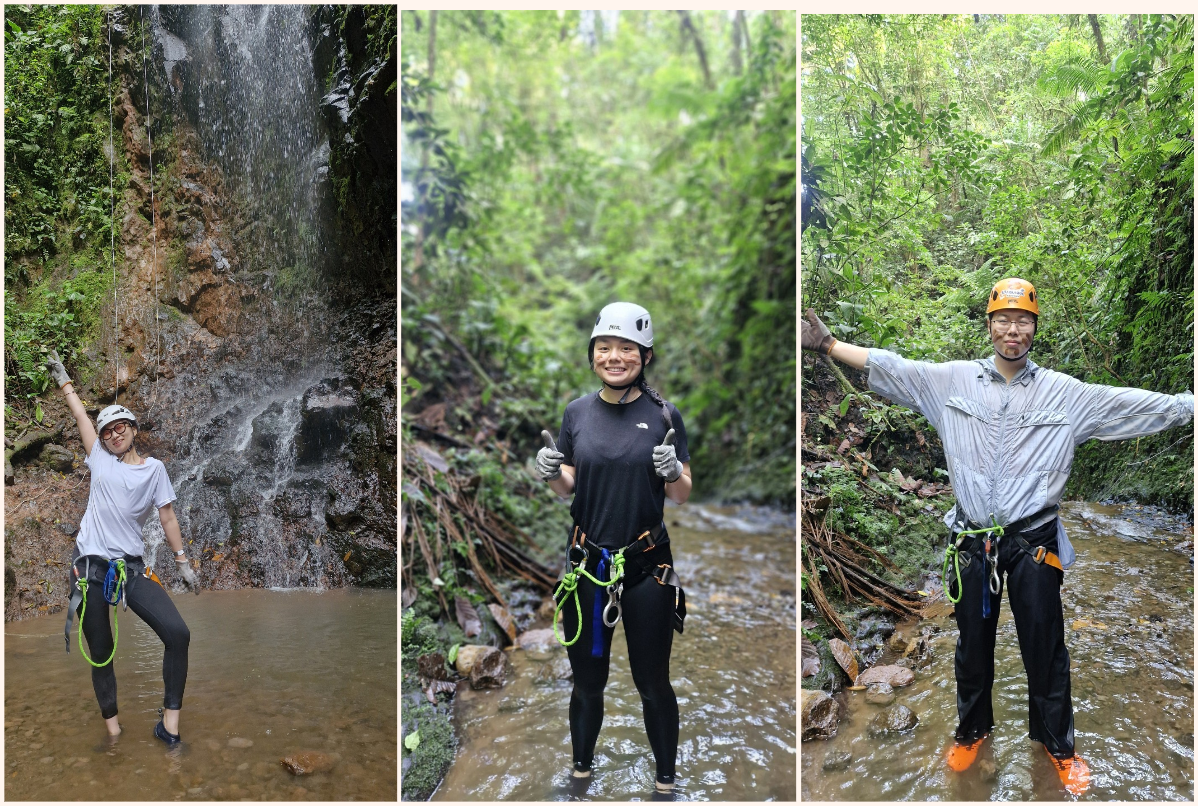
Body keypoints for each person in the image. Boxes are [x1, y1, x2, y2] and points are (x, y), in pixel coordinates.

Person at [801, 278, 1193, 796]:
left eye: (1023, 320)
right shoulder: (951, 382)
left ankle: (1058, 747)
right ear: (989, 326)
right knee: (973, 646)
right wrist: (828, 344)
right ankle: (971, 732)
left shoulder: (1067, 394)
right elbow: (891, 367)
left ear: (1034, 328)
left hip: (1035, 541)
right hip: (972, 541)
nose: (1013, 329)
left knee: (1045, 647)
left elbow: (1135, 405)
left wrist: (1190, 404)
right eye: (1003, 320)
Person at [534, 302, 692, 793]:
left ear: (645, 356)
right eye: (605, 348)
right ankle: (580, 777)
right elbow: (571, 485)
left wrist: (672, 471)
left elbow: (682, 491)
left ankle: (666, 786)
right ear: (593, 354)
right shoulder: (577, 413)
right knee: (587, 682)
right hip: (589, 568)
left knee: (652, 683)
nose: (614, 357)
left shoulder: (664, 415)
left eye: (626, 348)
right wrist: (550, 470)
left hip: (647, 568)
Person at [45, 350, 200, 746]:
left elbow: (167, 517)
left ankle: (170, 725)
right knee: (102, 651)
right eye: (107, 431)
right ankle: (113, 732)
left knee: (178, 634)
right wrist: (65, 382)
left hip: (131, 568)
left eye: (119, 427)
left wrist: (182, 561)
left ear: (133, 427)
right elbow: (81, 416)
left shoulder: (155, 470)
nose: (113, 435)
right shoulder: (99, 459)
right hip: (90, 570)